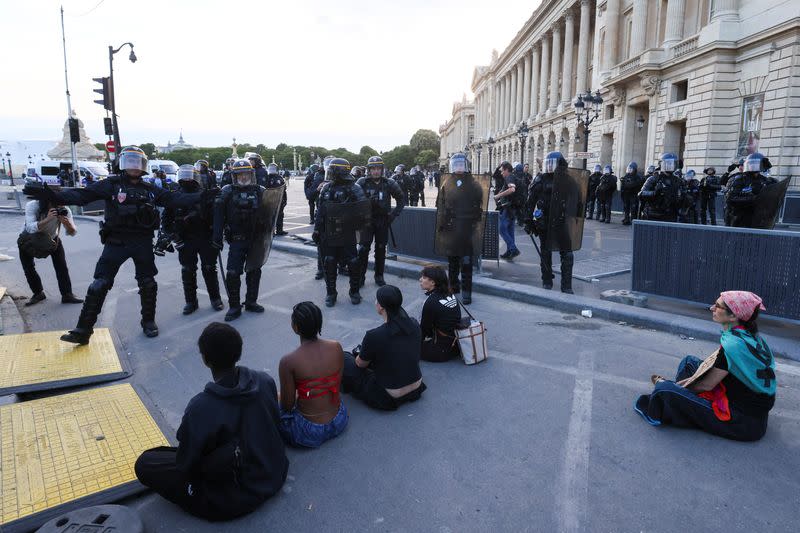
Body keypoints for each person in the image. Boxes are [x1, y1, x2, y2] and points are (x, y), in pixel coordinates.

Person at [24, 146, 203, 344]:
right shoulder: (111, 184)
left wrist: (202, 197)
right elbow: (83, 195)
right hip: (116, 241)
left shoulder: (150, 188)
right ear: (122, 164)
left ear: (143, 166)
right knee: (99, 284)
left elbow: (175, 199)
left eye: (138, 162)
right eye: (130, 161)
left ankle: (148, 322)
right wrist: (54, 196)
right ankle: (83, 329)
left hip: (142, 241)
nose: (134, 166)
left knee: (148, 283)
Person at [135, 322, 289, 520]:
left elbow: (186, 463)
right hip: (274, 472)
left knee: (146, 462)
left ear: (206, 360)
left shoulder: (201, 407)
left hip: (234, 497)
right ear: (239, 353)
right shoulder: (265, 380)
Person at [634, 291, 776, 442]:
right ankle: (681, 401)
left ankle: (677, 400)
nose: (712, 308)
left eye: (718, 306)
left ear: (733, 316)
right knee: (689, 362)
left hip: (743, 422)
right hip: (750, 409)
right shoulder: (749, 335)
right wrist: (685, 386)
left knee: (664, 391)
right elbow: (721, 368)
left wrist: (679, 387)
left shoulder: (734, 345)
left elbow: (707, 385)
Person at [341, 285, 426, 410]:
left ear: (380, 306)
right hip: (417, 386)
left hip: (389, 395)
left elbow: (360, 364)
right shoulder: (413, 323)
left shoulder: (374, 335)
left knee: (344, 357)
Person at [277, 302, 348, 448]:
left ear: (295, 327)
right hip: (339, 420)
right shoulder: (336, 347)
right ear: (319, 323)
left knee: (271, 400)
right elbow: (336, 385)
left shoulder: (288, 361)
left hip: (308, 432)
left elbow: (287, 406)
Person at [160, 164, 223, 314]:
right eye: (184, 176)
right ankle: (191, 301)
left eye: (190, 176)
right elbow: (166, 221)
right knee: (188, 271)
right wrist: (174, 238)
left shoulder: (205, 195)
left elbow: (217, 218)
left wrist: (217, 237)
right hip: (185, 239)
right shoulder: (175, 196)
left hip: (205, 237)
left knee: (209, 269)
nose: (187, 179)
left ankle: (215, 299)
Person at [213, 159, 269, 321]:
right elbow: (218, 216)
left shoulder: (260, 191)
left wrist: (268, 232)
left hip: (255, 240)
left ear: (251, 174)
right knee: (232, 272)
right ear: (234, 176)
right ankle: (234, 306)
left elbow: (270, 213)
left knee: (254, 271)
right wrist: (216, 237)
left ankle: (251, 302)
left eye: (246, 174)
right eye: (240, 174)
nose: (243, 177)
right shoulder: (227, 191)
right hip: (237, 240)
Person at [313, 157, 367, 307]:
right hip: (329, 233)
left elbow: (363, 213)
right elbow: (320, 212)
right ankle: (331, 293)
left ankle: (354, 291)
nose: (329, 175)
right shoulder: (326, 188)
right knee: (329, 262)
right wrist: (317, 230)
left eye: (332, 172)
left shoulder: (355, 188)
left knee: (353, 262)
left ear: (339, 172)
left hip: (347, 233)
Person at [438, 152, 485, 305]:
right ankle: (454, 287)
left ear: (465, 166)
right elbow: (440, 205)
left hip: (467, 228)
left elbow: (480, 203)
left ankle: (466, 292)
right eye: (456, 165)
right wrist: (442, 222)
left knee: (466, 261)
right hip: (452, 227)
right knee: (452, 261)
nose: (458, 167)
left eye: (461, 165)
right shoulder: (446, 183)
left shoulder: (473, 183)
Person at [524, 151, 575, 293]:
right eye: (549, 164)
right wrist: (528, 221)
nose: (551, 167)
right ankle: (547, 280)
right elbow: (530, 201)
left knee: (568, 254)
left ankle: (567, 286)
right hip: (544, 222)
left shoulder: (568, 181)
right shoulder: (540, 180)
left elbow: (578, 199)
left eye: (554, 164)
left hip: (561, 222)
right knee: (546, 253)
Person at [19, 194, 82, 306]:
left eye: (62, 204)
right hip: (29, 239)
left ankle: (67, 295)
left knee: (61, 266)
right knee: (28, 267)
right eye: (56, 204)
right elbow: (30, 227)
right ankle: (38, 293)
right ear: (48, 202)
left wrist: (66, 223)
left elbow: (72, 232)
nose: (60, 207)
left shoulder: (64, 210)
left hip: (51, 239)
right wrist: (48, 219)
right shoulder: (33, 205)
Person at [356, 155, 405, 288]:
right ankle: (360, 277)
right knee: (363, 250)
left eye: (378, 168)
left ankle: (379, 276)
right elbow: (352, 198)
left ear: (382, 169)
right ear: (369, 170)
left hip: (383, 221)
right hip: (366, 222)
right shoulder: (362, 182)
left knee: (380, 249)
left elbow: (401, 199)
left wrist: (393, 215)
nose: (375, 171)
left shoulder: (389, 183)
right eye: (373, 169)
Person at [419, 266, 461, 363]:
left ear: (433, 283)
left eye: (424, 278)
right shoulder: (450, 294)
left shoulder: (431, 302)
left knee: (406, 345)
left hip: (441, 351)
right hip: (456, 346)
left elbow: (424, 330)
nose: (420, 279)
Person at [725, 152, 778, 228]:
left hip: (758, 217)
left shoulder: (764, 180)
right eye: (752, 163)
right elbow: (730, 198)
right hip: (739, 217)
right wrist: (754, 199)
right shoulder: (738, 179)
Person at [638, 153, 684, 222]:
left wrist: (684, 196)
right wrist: (654, 193)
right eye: (668, 164)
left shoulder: (677, 180)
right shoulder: (654, 178)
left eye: (672, 164)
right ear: (661, 164)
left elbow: (680, 198)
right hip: (654, 215)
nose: (670, 166)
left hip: (671, 215)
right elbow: (640, 194)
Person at [494, 161, 521, 260]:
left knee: (501, 229)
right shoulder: (512, 177)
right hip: (513, 207)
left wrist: (498, 196)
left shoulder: (509, 177)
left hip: (509, 207)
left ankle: (513, 249)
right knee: (510, 230)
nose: (501, 173)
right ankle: (510, 251)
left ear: (506, 170)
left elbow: (512, 189)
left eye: (502, 171)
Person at [265, 162, 288, 236]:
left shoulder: (279, 177)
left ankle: (279, 230)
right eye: (271, 168)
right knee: (271, 216)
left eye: (273, 168)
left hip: (279, 200)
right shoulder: (267, 177)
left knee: (280, 215)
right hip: (270, 200)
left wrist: (284, 200)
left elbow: (284, 189)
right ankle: (271, 231)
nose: (272, 170)